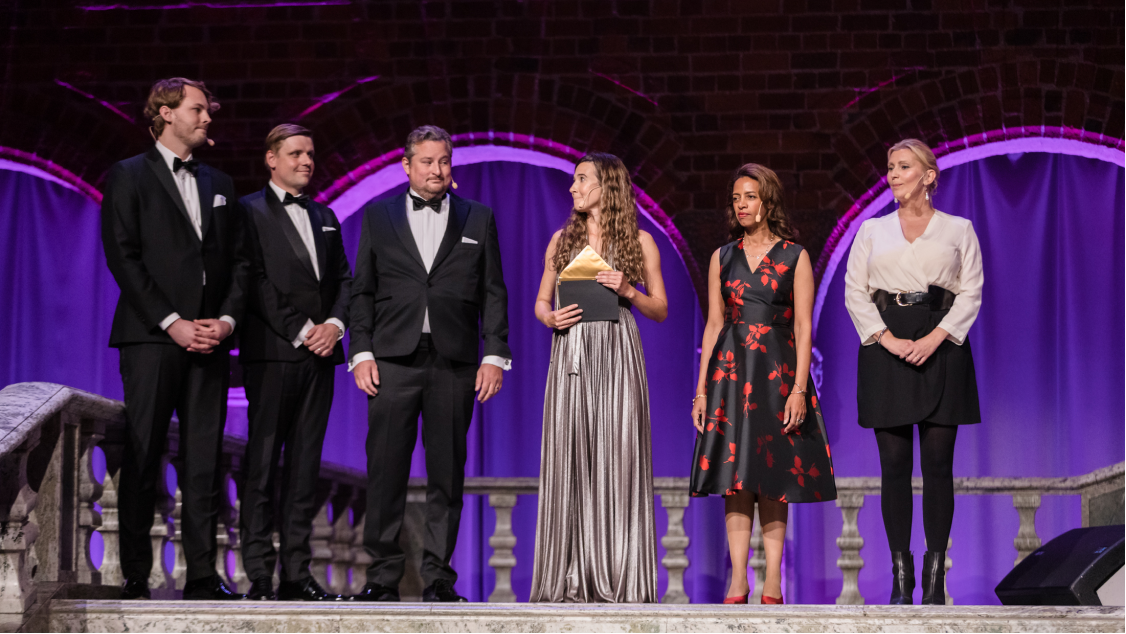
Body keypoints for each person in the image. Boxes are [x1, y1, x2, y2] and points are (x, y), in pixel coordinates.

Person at [349, 125, 511, 603]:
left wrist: (495, 355)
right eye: (427, 161)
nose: (437, 170)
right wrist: (360, 352)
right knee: (385, 471)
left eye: (444, 161)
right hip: (391, 361)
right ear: (407, 165)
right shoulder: (379, 215)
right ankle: (382, 577)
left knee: (447, 474)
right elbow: (362, 290)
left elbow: (493, 292)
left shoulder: (477, 216)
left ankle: (438, 578)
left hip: (454, 362)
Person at [100, 77, 247, 600]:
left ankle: (202, 575)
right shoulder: (129, 175)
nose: (207, 118)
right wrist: (172, 321)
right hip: (152, 338)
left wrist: (225, 321)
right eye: (198, 109)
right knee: (144, 454)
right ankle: (135, 572)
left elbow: (239, 264)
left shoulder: (221, 183)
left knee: (205, 460)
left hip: (210, 340)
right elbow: (123, 257)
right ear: (165, 113)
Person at [689, 163, 837, 605]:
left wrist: (799, 389)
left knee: (774, 475)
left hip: (776, 372)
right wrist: (701, 390)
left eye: (749, 196)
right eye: (736, 198)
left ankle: (773, 580)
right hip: (731, 374)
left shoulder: (795, 256)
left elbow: (804, 327)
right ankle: (738, 579)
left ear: (768, 201)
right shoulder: (722, 257)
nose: (741, 205)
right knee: (735, 477)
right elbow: (714, 324)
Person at [844, 138, 983, 605]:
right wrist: (888, 339)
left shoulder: (958, 229)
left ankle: (935, 578)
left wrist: (935, 337)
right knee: (894, 466)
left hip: (941, 345)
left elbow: (970, 292)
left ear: (928, 175)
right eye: (890, 167)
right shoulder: (871, 230)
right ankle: (901, 577)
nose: (893, 175)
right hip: (887, 346)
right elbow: (855, 291)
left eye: (903, 166)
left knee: (938, 465)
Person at [529, 153, 667, 603]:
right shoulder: (561, 241)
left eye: (582, 179)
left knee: (618, 454)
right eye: (574, 180)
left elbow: (660, 309)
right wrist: (550, 318)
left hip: (617, 352)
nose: (573, 187)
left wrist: (629, 290)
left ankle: (618, 573)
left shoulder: (641, 242)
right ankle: (570, 574)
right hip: (571, 353)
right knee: (572, 454)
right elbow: (541, 302)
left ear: (607, 185)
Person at [238, 124, 352, 601]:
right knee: (262, 465)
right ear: (271, 158)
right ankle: (259, 573)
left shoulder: (325, 215)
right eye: (296, 153)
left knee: (306, 468)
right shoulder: (247, 211)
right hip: (274, 352)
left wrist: (335, 326)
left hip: (320, 357)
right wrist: (305, 329)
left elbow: (344, 280)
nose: (306, 161)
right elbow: (254, 280)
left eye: (310, 153)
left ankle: (296, 573)